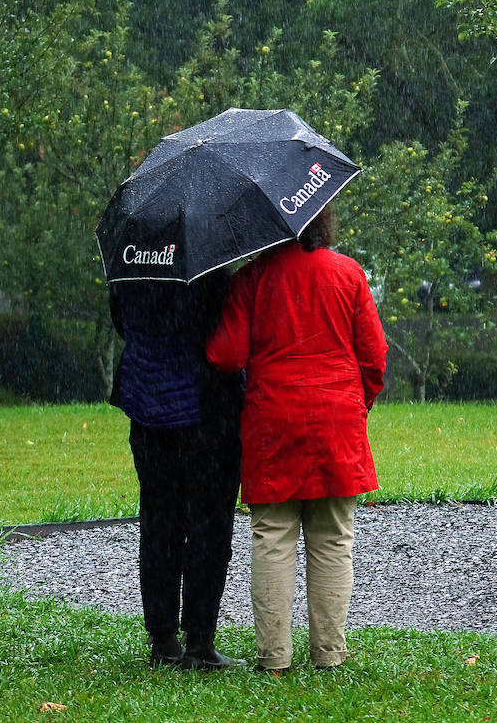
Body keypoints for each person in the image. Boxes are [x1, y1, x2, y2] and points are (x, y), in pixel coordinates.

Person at [205, 205, 387, 673]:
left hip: (273, 421)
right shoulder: (348, 274)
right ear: (324, 223)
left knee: (272, 536)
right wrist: (351, 403)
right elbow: (375, 357)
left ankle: (274, 656)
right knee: (333, 539)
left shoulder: (253, 279)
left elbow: (225, 356)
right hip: (336, 420)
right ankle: (328, 653)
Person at [109, 270, 243, 669]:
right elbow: (226, 343)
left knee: (159, 523)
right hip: (206, 412)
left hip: (149, 407)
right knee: (210, 524)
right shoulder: (212, 273)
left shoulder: (131, 267)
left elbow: (123, 324)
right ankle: (200, 641)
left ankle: (163, 639)